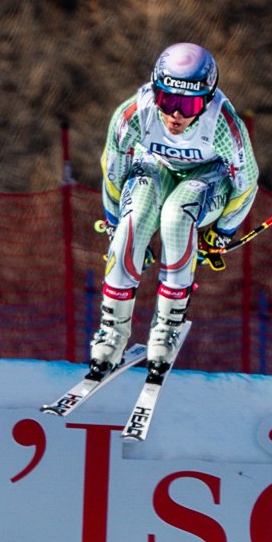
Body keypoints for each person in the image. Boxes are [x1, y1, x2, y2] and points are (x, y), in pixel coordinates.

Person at [90, 42, 259, 377]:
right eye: (168, 100)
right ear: (156, 93)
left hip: (206, 178)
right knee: (133, 222)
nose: (176, 115)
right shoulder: (134, 115)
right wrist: (113, 221)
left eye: (189, 104)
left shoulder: (224, 126)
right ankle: (111, 333)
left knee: (176, 216)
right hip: (155, 168)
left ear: (207, 100)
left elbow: (246, 184)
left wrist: (223, 231)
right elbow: (113, 172)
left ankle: (166, 328)